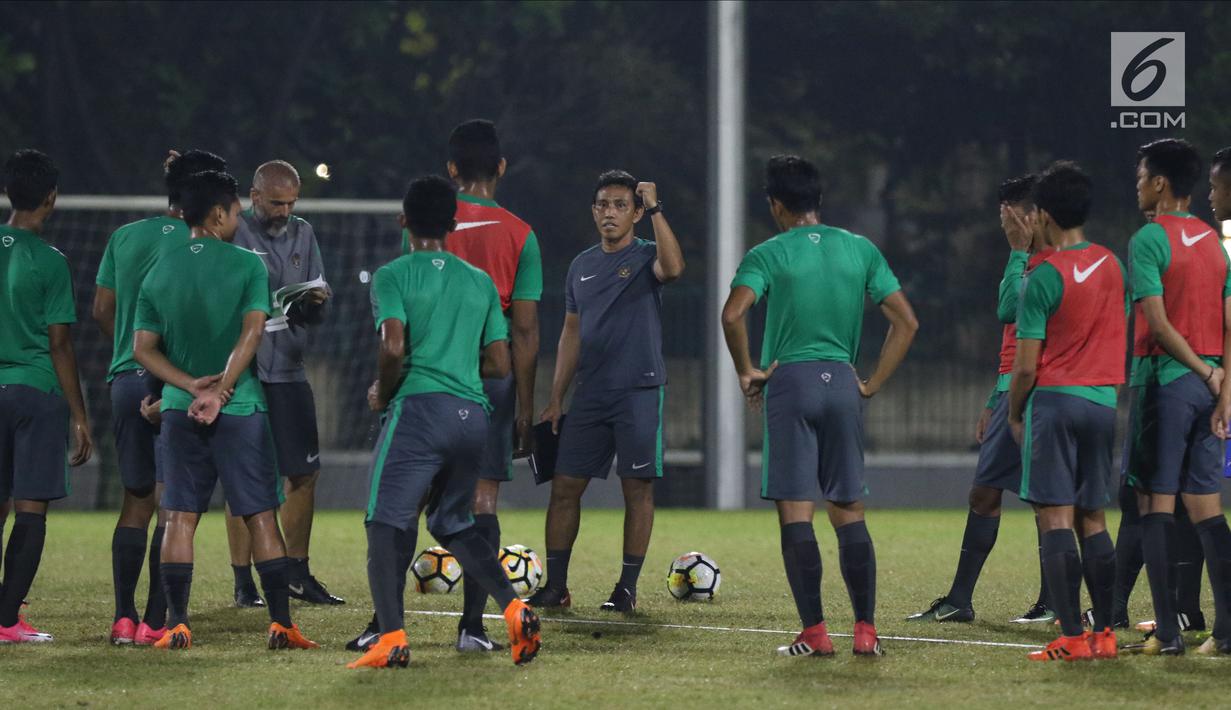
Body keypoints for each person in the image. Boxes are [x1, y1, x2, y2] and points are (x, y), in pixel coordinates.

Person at [348, 119, 542, 653]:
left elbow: (393, 346)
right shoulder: (495, 264)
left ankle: (387, 634)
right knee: (464, 515)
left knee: (388, 518)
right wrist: (516, 402)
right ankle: (497, 616)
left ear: (406, 219)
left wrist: (386, 391)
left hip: (419, 407)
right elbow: (508, 351)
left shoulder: (397, 271)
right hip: (476, 412)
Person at [722, 155, 917, 657]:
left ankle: (814, 634)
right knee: (849, 511)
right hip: (842, 385)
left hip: (792, 382)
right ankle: (867, 632)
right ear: (818, 200)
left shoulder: (768, 253)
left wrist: (748, 371)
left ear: (776, 205)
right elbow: (907, 323)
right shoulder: (860, 249)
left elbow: (733, 313)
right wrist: (870, 384)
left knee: (796, 513)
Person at [132, 170, 316, 651]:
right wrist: (222, 388)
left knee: (178, 517)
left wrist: (190, 385)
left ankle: (176, 623)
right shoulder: (245, 264)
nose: (237, 218)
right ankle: (281, 624)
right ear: (218, 214)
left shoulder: (159, 269)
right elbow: (253, 332)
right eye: (235, 210)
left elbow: (143, 349)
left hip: (179, 407)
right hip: (240, 407)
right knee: (260, 516)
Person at [529, 170, 685, 613]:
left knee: (636, 490)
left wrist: (656, 207)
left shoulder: (647, 255)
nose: (609, 213)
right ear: (593, 210)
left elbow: (674, 269)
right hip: (590, 395)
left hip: (638, 391)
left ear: (636, 212)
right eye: (602, 205)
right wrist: (557, 396)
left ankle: (627, 588)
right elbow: (570, 334)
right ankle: (556, 587)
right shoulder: (580, 266)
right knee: (564, 487)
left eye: (620, 205)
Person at [94, 149, 226, 645]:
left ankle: (123, 618)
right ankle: (154, 621)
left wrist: (134, 351)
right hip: (177, 381)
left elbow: (102, 309)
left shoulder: (124, 237)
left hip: (127, 376)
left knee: (135, 501)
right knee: (174, 505)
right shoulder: (200, 247)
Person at [908, 175, 1054, 625]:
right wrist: (994, 399)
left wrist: (1015, 251)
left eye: (1010, 216)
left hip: (1042, 396)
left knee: (1047, 501)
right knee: (985, 493)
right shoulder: (1030, 261)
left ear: (1031, 216)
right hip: (1012, 391)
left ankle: (1053, 602)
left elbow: (1009, 309)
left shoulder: (1047, 264)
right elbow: (1013, 342)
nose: (1005, 226)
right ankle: (960, 599)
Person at [1008, 161, 1125, 662]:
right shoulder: (1112, 264)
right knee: (1094, 519)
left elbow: (1027, 366)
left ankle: (1072, 637)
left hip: (1055, 402)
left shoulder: (1043, 277)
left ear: (1045, 214)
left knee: (1055, 518)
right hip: (1102, 403)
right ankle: (1106, 635)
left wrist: (1014, 413)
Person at [1124, 138, 1231, 656]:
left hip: (1165, 382)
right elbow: (1230, 323)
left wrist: (1200, 371)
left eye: (1142, 176)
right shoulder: (1214, 241)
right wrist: (1222, 385)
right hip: (1209, 389)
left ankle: (1167, 634)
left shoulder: (1149, 239)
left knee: (1154, 505)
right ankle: (1227, 633)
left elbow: (1159, 325)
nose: (1138, 185)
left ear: (1161, 184)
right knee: (1208, 509)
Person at [225, 160, 341, 606]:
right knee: (244, 479)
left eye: (292, 203)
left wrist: (315, 301)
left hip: (290, 370)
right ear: (254, 198)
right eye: (277, 203)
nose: (285, 211)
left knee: (304, 473)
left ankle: (297, 573)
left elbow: (317, 301)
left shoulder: (304, 234)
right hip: (246, 371)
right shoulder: (234, 231)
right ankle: (243, 582)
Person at [0, 149, 93, 644]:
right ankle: (8, 620)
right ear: (51, 198)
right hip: (35, 392)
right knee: (30, 508)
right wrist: (79, 415)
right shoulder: (50, 261)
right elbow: (59, 343)